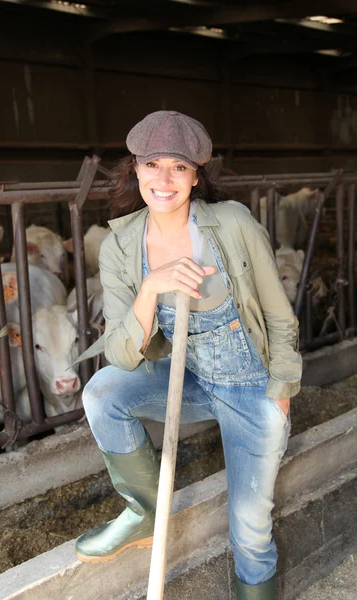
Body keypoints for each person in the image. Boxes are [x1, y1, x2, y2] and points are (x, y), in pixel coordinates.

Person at [74, 110, 302, 599]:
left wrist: (280, 392)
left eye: (178, 167)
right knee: (102, 392)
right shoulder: (120, 246)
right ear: (135, 170)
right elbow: (121, 353)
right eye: (152, 164)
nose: (164, 179)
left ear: (197, 176)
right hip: (191, 379)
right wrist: (151, 288)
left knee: (249, 525)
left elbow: (281, 316)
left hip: (251, 387)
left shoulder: (233, 224)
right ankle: (145, 511)